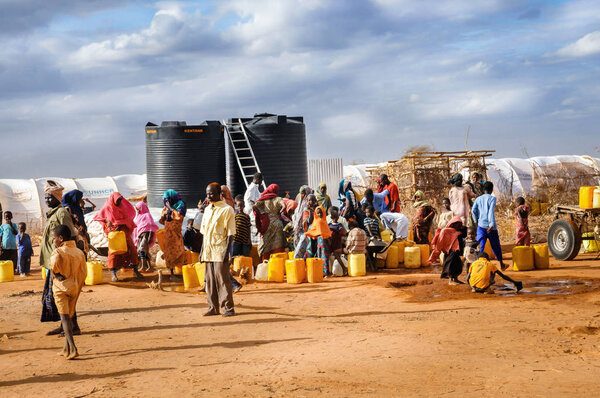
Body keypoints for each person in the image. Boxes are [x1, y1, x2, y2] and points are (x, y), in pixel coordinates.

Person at [40, 180, 80, 336]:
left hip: (61, 263)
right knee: (60, 295)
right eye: (46, 198)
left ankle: (72, 327)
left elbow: (69, 235)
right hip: (54, 263)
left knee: (65, 294)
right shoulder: (54, 213)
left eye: (50, 197)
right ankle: (66, 326)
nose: (47, 201)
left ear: (57, 197)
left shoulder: (61, 213)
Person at [48, 224, 87, 360]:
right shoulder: (79, 252)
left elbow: (53, 266)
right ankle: (66, 348)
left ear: (60, 238)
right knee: (69, 317)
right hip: (75, 287)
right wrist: (78, 285)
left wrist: (56, 274)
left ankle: (73, 348)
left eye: (54, 238)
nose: (53, 241)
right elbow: (84, 273)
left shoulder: (58, 252)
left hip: (61, 288)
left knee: (64, 318)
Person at [200, 183, 236, 317]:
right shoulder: (208, 209)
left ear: (219, 194)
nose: (208, 196)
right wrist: (202, 251)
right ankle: (213, 307)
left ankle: (228, 308)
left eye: (211, 193)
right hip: (208, 250)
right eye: (207, 193)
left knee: (223, 280)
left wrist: (227, 253)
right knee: (209, 281)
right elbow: (204, 233)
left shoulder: (227, 210)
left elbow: (230, 234)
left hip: (220, 250)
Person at [94, 192, 143, 281]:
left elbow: (130, 215)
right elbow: (98, 217)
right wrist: (106, 221)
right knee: (114, 253)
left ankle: (135, 270)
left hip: (125, 233)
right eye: (118, 200)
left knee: (132, 250)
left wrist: (122, 223)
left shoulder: (124, 206)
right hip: (114, 234)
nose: (119, 202)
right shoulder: (108, 207)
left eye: (120, 200)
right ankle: (113, 274)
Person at [471, 181, 505, 270]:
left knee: (480, 245)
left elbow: (473, 210)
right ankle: (501, 264)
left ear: (483, 189)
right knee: (495, 245)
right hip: (491, 227)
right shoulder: (492, 198)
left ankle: (477, 265)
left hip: (481, 225)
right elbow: (490, 212)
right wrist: (491, 224)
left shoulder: (478, 199)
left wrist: (476, 220)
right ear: (491, 189)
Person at [159, 189, 187, 280]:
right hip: (168, 234)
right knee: (169, 253)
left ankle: (182, 271)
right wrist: (164, 214)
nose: (166, 202)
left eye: (167, 199)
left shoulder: (181, 205)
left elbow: (179, 217)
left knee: (179, 251)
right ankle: (172, 273)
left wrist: (171, 209)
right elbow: (162, 221)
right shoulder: (166, 207)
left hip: (176, 233)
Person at [253, 184, 286, 260]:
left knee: (266, 244)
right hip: (278, 224)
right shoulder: (278, 199)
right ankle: (277, 263)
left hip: (267, 224)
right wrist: (281, 210)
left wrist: (261, 213)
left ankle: (265, 263)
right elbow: (283, 205)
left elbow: (255, 207)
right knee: (278, 244)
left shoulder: (263, 200)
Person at [429, 216, 465, 284]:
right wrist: (435, 255)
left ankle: (455, 279)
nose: (459, 226)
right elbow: (439, 243)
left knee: (458, 265)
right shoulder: (445, 231)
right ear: (453, 224)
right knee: (451, 265)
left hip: (456, 252)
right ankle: (451, 280)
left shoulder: (459, 232)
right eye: (458, 224)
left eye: (460, 224)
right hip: (450, 252)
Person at [305, 205, 332, 276]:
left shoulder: (321, 221)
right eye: (318, 213)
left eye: (321, 213)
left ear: (323, 213)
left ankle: (324, 272)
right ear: (315, 214)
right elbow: (316, 231)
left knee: (322, 256)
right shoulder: (319, 221)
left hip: (323, 241)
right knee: (322, 256)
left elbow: (321, 231)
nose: (319, 214)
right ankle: (323, 272)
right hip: (320, 241)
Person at [133, 201, 159, 272]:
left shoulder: (147, 215)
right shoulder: (139, 216)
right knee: (145, 251)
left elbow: (150, 225)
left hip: (146, 235)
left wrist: (150, 235)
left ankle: (143, 267)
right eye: (137, 209)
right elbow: (137, 226)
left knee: (142, 249)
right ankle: (149, 267)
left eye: (138, 209)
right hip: (140, 236)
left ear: (142, 208)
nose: (137, 210)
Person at [328, 206, 348, 275]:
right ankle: (332, 271)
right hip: (331, 243)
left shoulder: (339, 225)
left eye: (336, 217)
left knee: (337, 256)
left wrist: (336, 231)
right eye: (334, 217)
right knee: (331, 257)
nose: (335, 219)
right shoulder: (329, 225)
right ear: (331, 218)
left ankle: (342, 268)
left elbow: (343, 232)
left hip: (337, 243)